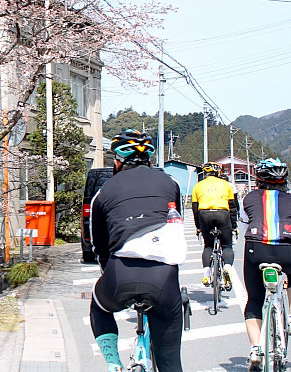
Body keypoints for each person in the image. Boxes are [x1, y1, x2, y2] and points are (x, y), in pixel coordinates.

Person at [90, 130, 185, 372]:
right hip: (163, 276)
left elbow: (99, 245)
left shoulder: (102, 193)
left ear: (118, 161)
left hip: (120, 273)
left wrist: (107, 270)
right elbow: (176, 225)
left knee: (99, 305)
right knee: (170, 361)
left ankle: (114, 364)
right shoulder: (171, 183)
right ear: (150, 160)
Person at [239, 158, 291, 371]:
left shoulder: (249, 197)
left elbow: (244, 228)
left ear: (259, 178)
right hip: (287, 250)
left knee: (254, 299)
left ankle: (255, 349)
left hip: (256, 249)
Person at [192, 162, 239, 287]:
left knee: (208, 246)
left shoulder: (198, 186)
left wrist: (199, 227)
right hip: (222, 213)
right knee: (227, 245)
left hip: (204, 214)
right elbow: (233, 207)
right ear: (218, 173)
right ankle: (227, 268)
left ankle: (206, 274)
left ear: (205, 173)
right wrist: (234, 226)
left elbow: (195, 209)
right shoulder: (225, 185)